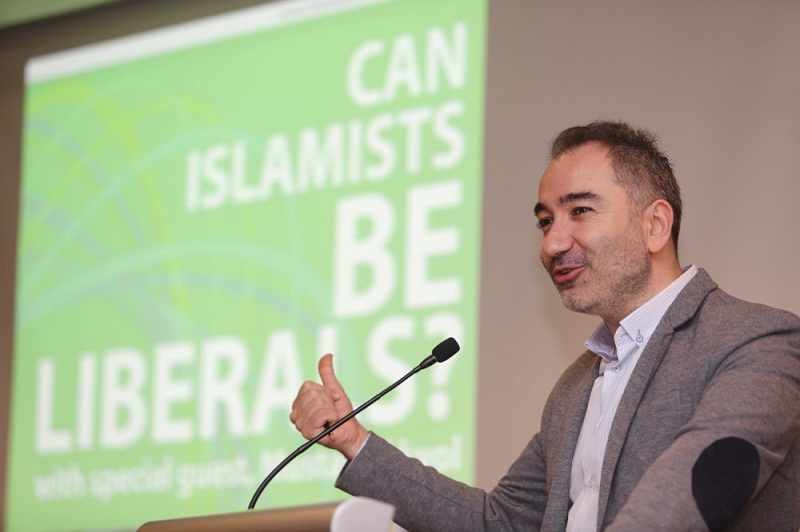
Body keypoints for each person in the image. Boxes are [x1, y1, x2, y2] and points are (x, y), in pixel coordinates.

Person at [289, 121, 800, 531]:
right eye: (545, 221)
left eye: (580, 210)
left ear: (655, 224)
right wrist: (355, 440)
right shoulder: (576, 386)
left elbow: (689, 495)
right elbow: (500, 523)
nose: (552, 243)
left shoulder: (758, 343)